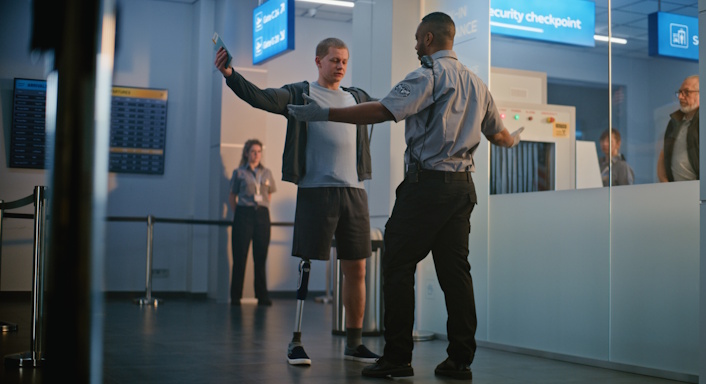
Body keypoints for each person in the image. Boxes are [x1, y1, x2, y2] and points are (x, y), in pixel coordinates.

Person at [288, 12, 523, 380]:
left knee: (397, 265)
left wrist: (326, 113)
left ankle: (397, 357)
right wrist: (514, 138)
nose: (414, 46)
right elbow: (500, 135)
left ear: (429, 38)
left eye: (417, 39)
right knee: (456, 273)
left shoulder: (427, 75)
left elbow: (383, 110)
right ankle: (459, 360)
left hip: (426, 186)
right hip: (463, 189)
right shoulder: (478, 84)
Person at [214, 37, 380, 366]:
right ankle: (296, 341)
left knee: (357, 268)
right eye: (334, 60)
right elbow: (260, 98)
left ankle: (355, 342)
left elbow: (388, 108)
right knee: (307, 264)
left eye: (344, 61)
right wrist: (231, 73)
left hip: (354, 191)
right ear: (318, 61)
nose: (340, 66)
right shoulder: (299, 93)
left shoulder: (357, 98)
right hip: (316, 189)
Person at [229, 139, 277, 306]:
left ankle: (262, 296)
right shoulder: (239, 172)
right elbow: (232, 196)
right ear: (246, 153)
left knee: (260, 257)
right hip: (244, 215)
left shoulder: (267, 173)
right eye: (253, 151)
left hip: (262, 216)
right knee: (240, 257)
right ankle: (235, 297)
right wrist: (241, 214)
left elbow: (268, 195)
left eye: (259, 151)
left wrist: (260, 208)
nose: (256, 155)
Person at [657, 75, 699, 182]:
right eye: (680, 92)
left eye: (686, 92)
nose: (680, 97)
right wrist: (665, 182)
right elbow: (664, 154)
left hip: (698, 191)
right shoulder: (674, 122)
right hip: (675, 190)